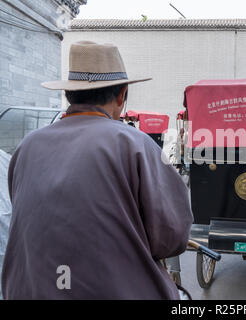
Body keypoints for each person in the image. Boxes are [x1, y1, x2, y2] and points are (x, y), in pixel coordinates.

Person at [1, 41, 193, 299]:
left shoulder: (26, 147)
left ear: (70, 94)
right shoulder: (136, 145)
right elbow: (172, 237)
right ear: (122, 95)